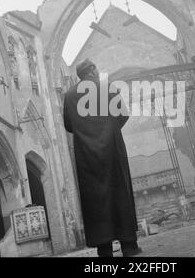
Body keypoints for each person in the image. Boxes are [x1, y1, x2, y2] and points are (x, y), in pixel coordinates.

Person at [63, 59, 142, 257]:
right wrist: (110, 130)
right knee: (120, 192)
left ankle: (104, 248)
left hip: (86, 154)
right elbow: (123, 114)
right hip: (112, 148)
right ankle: (129, 246)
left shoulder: (70, 95)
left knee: (95, 198)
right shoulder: (108, 87)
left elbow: (68, 125)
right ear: (92, 70)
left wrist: (87, 133)